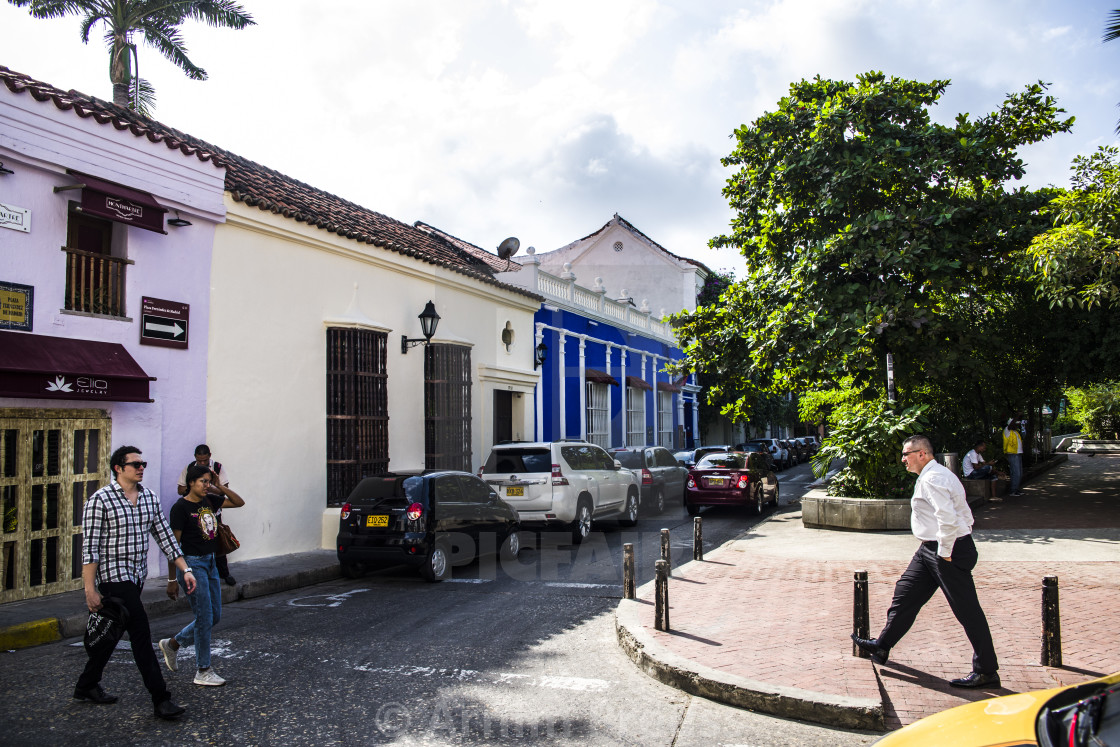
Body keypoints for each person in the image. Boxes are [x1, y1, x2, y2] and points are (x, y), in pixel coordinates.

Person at [851, 434, 1000, 689]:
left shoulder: (933, 479)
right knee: (905, 593)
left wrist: (944, 552)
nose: (903, 459)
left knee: (967, 611)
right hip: (930, 550)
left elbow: (948, 518)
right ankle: (883, 645)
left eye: (906, 454)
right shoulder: (935, 475)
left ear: (922, 454)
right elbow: (964, 512)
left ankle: (986, 671)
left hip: (946, 551)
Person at [73, 445, 196, 720]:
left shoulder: (149, 498)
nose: (141, 468)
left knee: (113, 633)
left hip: (135, 576)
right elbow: (90, 549)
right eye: (136, 464)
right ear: (119, 468)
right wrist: (89, 590)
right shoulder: (100, 500)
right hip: (112, 579)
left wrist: (184, 570)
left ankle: (86, 685)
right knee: (140, 634)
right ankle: (161, 699)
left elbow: (166, 538)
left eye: (143, 464)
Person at [160, 463, 245, 686]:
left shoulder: (210, 500)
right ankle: (203, 669)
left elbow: (239, 502)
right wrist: (172, 579)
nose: (206, 485)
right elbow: (173, 546)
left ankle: (173, 644)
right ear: (191, 483)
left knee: (214, 616)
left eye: (208, 481)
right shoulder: (180, 508)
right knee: (205, 617)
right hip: (192, 565)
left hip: (210, 564)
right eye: (203, 482)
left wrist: (219, 487)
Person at [178, 445, 236, 585]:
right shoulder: (190, 468)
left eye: (205, 460)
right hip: (194, 509)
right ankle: (196, 571)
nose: (202, 463)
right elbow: (180, 489)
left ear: (210, 455)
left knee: (217, 541)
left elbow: (225, 491)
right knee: (196, 541)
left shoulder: (217, 468)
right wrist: (194, 486)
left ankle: (224, 573)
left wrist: (209, 486)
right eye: (199, 460)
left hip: (212, 509)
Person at [1003, 418, 1024, 497]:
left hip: (1017, 454)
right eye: (1015, 424)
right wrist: (1017, 416)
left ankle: (1016, 489)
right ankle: (1013, 490)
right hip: (1012, 454)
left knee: (1019, 473)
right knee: (1016, 473)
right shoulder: (1007, 431)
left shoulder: (1015, 432)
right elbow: (1011, 425)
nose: (1017, 425)